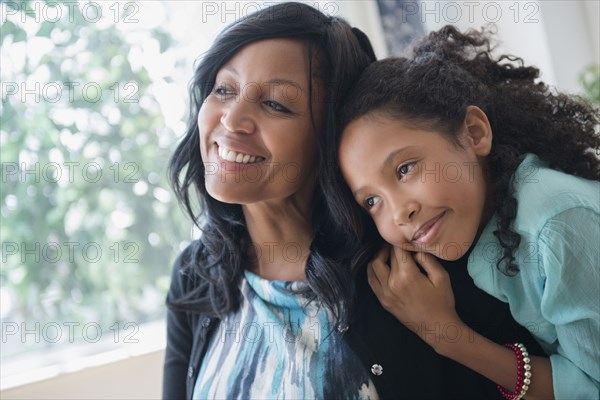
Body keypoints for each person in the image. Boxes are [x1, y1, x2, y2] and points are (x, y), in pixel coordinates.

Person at [163, 4, 545, 399]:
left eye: (276, 104)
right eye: (224, 89)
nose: (231, 120)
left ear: (331, 139)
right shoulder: (196, 275)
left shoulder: (418, 267)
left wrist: (446, 334)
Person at [334, 25, 600, 399]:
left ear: (474, 133)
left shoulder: (555, 222)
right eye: (371, 201)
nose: (399, 213)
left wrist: (446, 334)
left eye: (405, 169)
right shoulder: (490, 225)